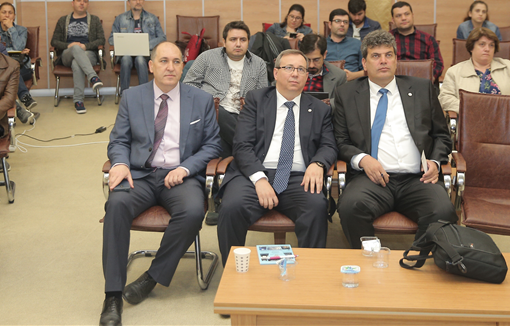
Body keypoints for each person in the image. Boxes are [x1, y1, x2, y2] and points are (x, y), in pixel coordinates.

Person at [100, 41, 221, 326]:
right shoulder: (132, 97)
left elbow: (212, 145)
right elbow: (119, 140)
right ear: (151, 66)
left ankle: (152, 277)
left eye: (176, 61)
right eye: (164, 61)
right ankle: (112, 295)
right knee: (116, 205)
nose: (170, 67)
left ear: (183, 66)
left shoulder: (201, 99)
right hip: (140, 174)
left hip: (180, 177)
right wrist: (119, 163)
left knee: (193, 212)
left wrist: (186, 168)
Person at [332, 30, 456, 249]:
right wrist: (363, 160)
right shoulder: (347, 94)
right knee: (351, 207)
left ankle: (416, 260)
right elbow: (340, 141)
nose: (383, 61)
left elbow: (442, 136)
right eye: (376, 56)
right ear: (364, 63)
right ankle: (370, 257)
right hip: (371, 178)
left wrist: (435, 163)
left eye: (388, 55)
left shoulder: (422, 89)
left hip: (418, 178)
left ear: (396, 60)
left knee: (443, 211)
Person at [216, 49, 338, 265]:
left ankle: (310, 272)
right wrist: (259, 179)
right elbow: (242, 145)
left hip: (298, 177)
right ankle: (233, 271)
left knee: (316, 206)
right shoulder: (256, 100)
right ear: (276, 72)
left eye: (301, 69)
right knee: (232, 206)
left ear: (307, 76)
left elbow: (329, 145)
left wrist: (318, 163)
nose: (295, 74)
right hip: (253, 174)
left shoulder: (320, 109)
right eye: (289, 68)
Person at [184, 21, 268, 225]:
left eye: (243, 40)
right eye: (233, 39)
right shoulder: (207, 57)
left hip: (244, 115)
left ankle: (218, 194)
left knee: (220, 140)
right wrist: (208, 100)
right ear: (224, 41)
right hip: (212, 111)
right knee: (218, 119)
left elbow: (263, 95)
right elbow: (188, 85)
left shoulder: (258, 63)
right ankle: (247, 166)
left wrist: (250, 104)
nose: (238, 44)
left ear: (248, 42)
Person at [439, 28, 510, 113]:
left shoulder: (508, 66)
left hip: (506, 118)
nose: (487, 49)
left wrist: (505, 105)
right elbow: (445, 98)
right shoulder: (454, 71)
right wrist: (470, 108)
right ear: (471, 47)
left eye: (491, 45)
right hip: (471, 119)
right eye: (482, 44)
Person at [51, 0, 105, 114]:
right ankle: (93, 77)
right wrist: (69, 45)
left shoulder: (94, 20)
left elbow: (101, 40)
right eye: (79, 0)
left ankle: (78, 101)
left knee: (77, 63)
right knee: (75, 48)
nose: (82, 3)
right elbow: (54, 41)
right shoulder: (63, 20)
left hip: (88, 54)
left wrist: (86, 46)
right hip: (67, 55)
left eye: (85, 1)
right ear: (73, 3)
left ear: (88, 4)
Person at [108, 0, 166, 94]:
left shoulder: (152, 18)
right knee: (126, 59)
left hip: (145, 53)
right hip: (126, 53)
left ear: (143, 1)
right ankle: (125, 94)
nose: (138, 2)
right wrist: (126, 43)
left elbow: (162, 38)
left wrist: (146, 45)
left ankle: (144, 94)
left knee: (140, 59)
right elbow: (111, 39)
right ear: (129, 2)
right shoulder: (120, 19)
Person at [0, 2, 38, 111]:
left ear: (14, 16)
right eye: (4, 12)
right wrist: (14, 50)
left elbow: (19, 47)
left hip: (22, 67)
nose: (7, 15)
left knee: (12, 70)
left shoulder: (21, 30)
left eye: (10, 13)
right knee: (8, 71)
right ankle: (24, 99)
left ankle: (16, 107)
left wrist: (11, 28)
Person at [389, 1, 444, 83]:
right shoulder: (386, 40)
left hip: (422, 82)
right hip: (393, 82)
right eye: (398, 16)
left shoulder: (428, 39)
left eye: (407, 14)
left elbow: (438, 64)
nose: (403, 18)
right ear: (393, 20)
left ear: (412, 15)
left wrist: (427, 80)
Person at [298, 34, 347, 107]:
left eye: (316, 60)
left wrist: (328, 104)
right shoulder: (291, 71)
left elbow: (343, 100)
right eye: (307, 60)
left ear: (324, 55)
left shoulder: (339, 75)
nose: (311, 65)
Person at [325, 8, 364, 80]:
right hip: (327, 82)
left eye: (345, 22)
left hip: (353, 82)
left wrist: (353, 75)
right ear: (330, 24)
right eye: (338, 21)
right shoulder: (321, 45)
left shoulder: (357, 44)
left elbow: (368, 70)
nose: (342, 24)